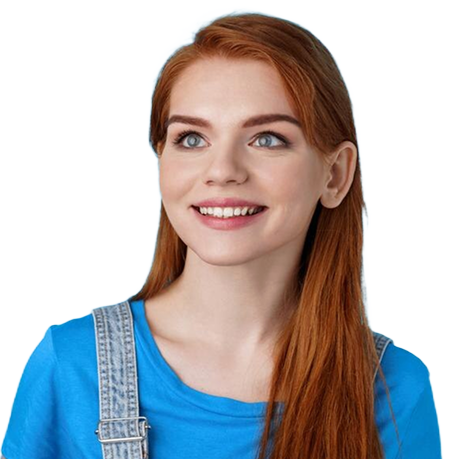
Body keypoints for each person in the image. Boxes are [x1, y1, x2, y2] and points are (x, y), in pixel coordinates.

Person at [1, 10, 442, 459]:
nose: (223, 170)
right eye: (192, 139)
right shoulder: (71, 365)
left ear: (335, 175)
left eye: (267, 139)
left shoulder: (394, 392)